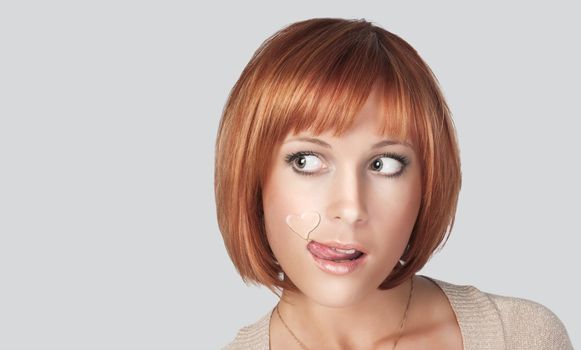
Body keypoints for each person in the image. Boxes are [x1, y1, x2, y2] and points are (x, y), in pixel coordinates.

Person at [214, 17, 573, 350]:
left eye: (383, 164)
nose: (350, 207)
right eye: (306, 161)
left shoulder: (521, 337)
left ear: (427, 183)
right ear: (252, 176)